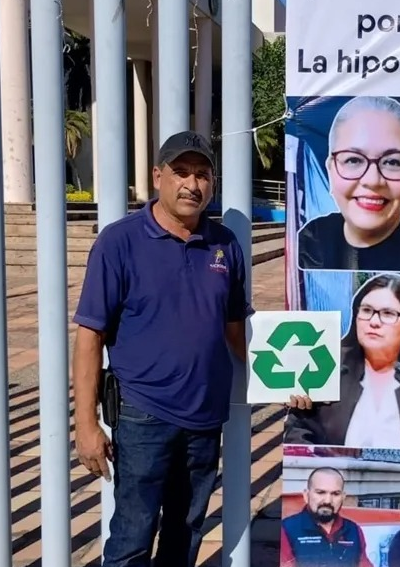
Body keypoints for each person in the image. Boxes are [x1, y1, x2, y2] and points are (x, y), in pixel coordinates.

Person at [71, 131, 252, 567]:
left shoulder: (225, 244)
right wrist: (86, 424)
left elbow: (237, 332)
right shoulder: (119, 242)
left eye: (202, 174)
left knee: (184, 536)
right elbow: (90, 335)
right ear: (158, 177)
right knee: (132, 538)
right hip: (143, 415)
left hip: (205, 418)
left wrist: (288, 379)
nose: (192, 184)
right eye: (181, 172)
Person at [285, 273, 400, 451]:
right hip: (331, 473)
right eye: (366, 310)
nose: (374, 321)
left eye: (388, 313)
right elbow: (298, 430)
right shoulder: (328, 362)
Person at [297, 96, 400, 273]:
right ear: (331, 169)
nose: (372, 180)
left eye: (392, 162)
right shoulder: (310, 241)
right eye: (353, 160)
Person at [280, 467, 375, 567]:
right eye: (320, 492)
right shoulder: (286, 529)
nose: (328, 501)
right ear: (306, 495)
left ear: (343, 497)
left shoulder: (354, 530)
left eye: (335, 494)